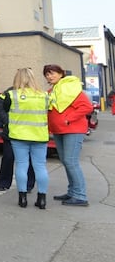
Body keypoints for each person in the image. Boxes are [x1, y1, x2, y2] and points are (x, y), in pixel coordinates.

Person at [0, 68, 50, 209]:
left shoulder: (11, 95)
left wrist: (8, 123)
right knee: (40, 167)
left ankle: (22, 199)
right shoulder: (44, 95)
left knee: (21, 165)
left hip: (18, 135)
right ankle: (42, 199)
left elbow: (2, 109)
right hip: (39, 135)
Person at [43, 64, 93, 206]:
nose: (49, 76)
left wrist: (67, 119)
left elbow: (86, 107)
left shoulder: (70, 89)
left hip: (72, 130)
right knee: (66, 161)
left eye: (52, 73)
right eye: (47, 74)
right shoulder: (52, 91)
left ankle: (80, 196)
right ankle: (73, 192)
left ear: (61, 74)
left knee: (71, 161)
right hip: (59, 130)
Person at [0, 88, 35, 192]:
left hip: (29, 132)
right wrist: (8, 122)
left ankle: (28, 185)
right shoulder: (10, 92)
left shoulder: (36, 93)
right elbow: (0, 108)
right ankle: (3, 183)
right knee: (8, 157)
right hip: (11, 131)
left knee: (29, 159)